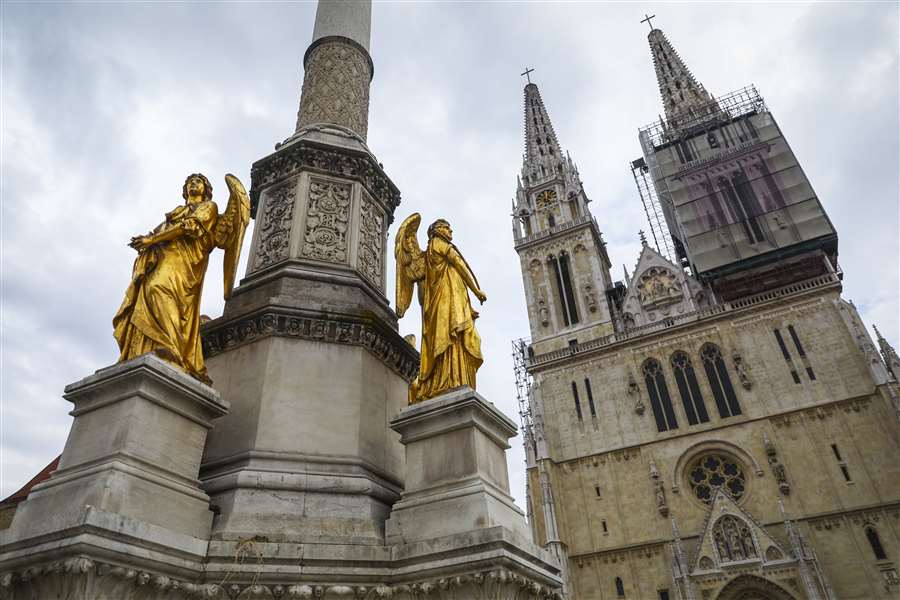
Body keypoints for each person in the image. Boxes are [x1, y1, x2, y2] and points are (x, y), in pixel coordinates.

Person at [113, 174, 219, 383]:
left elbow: (188, 228)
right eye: (190, 182)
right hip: (163, 258)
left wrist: (151, 239)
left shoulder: (209, 207)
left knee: (158, 289)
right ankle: (144, 348)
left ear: (206, 189)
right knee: (146, 294)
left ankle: (170, 347)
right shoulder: (175, 213)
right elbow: (164, 231)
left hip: (184, 263)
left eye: (198, 181)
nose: (193, 184)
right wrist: (146, 244)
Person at [415, 219, 487, 401]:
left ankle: (455, 379)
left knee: (456, 338)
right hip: (448, 303)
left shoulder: (430, 251)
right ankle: (450, 379)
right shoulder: (439, 244)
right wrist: (476, 290)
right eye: (447, 228)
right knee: (451, 336)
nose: (451, 231)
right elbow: (460, 266)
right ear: (437, 230)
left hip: (450, 300)